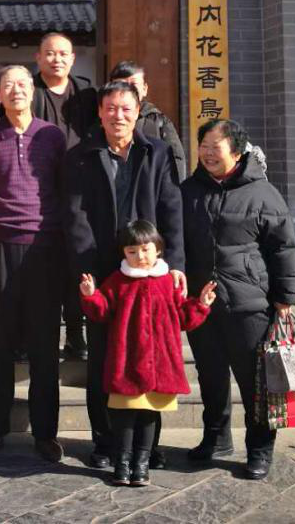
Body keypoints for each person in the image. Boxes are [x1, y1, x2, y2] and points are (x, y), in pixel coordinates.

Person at [64, 80, 185, 472]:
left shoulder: (157, 152)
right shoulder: (82, 155)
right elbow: (76, 217)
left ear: (138, 111)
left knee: (151, 357)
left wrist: (175, 263)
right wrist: (89, 273)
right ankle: (105, 441)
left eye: (126, 108)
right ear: (100, 112)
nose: (118, 115)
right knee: (104, 360)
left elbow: (171, 209)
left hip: (150, 274)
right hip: (104, 276)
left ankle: (147, 446)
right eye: (111, 108)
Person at [182, 118, 295, 481]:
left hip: (249, 303)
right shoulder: (188, 190)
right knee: (210, 375)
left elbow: (283, 247)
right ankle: (216, 438)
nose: (207, 154)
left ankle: (260, 449)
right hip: (202, 302)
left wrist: (285, 297)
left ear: (236, 152)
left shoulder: (262, 193)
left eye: (214, 148)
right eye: (203, 147)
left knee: (254, 382)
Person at [0, 65, 68, 463]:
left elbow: (62, 187)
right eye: (8, 85)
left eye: (23, 84)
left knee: (44, 346)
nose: (16, 90)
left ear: (34, 91)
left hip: (44, 247)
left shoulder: (52, 136)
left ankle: (45, 433)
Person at [79, 220, 215, 487]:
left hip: (159, 363)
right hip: (126, 363)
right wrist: (91, 295)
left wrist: (200, 304)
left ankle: (142, 464)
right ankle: (122, 463)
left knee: (149, 415)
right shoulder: (117, 280)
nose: (139, 256)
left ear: (158, 249)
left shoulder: (168, 282)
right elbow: (102, 311)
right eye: (132, 251)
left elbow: (183, 317)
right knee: (123, 416)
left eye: (145, 249)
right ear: (123, 253)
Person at [30, 31, 97, 362]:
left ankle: (75, 334)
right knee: (40, 268)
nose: (56, 59)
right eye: (50, 53)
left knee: (77, 263)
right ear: (38, 57)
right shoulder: (29, 91)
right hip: (38, 189)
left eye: (62, 54)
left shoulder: (86, 93)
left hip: (80, 191)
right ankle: (33, 338)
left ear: (72, 59)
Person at [108, 60, 187, 180]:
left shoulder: (158, 121)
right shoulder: (103, 120)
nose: (128, 89)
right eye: (122, 84)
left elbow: (177, 160)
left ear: (144, 89)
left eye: (134, 84)